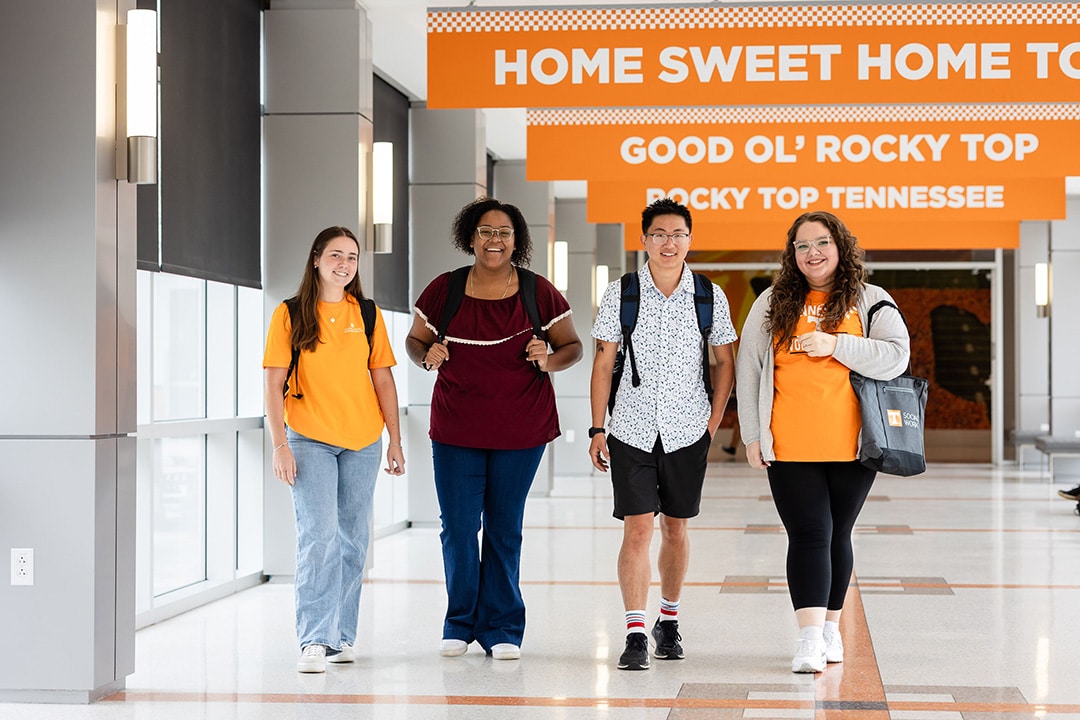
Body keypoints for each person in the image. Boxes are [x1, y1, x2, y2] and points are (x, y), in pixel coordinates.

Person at [406, 197, 583, 661]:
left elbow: (572, 347)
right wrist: (427, 355)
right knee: (459, 528)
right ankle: (459, 622)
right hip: (455, 427)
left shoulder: (538, 292)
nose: (494, 240)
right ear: (470, 237)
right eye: (486, 231)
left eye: (504, 232)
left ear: (516, 241)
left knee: (505, 528)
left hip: (520, 428)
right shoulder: (444, 289)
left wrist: (548, 358)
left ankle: (503, 627)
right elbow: (414, 339)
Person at [736, 211, 910, 673]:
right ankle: (810, 638)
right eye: (802, 246)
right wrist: (753, 434)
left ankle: (832, 627)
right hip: (790, 444)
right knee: (810, 533)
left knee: (838, 533)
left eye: (822, 243)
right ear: (792, 255)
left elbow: (896, 356)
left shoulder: (870, 299)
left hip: (854, 445)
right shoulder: (773, 302)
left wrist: (835, 345)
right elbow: (749, 367)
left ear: (840, 247)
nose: (812, 253)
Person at [589, 197, 737, 671]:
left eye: (677, 234)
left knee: (675, 528)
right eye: (659, 234)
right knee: (637, 529)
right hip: (630, 428)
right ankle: (635, 632)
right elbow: (603, 361)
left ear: (690, 240)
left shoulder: (710, 295)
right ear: (644, 240)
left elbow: (724, 363)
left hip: (687, 430)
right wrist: (597, 427)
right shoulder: (621, 292)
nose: (668, 243)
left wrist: (711, 424)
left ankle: (668, 621)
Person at [263, 226, 406, 674]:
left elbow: (383, 378)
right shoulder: (289, 314)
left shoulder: (366, 313)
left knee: (352, 540)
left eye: (352, 257)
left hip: (363, 440)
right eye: (335, 255)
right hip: (308, 439)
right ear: (316, 259)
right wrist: (279, 444)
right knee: (318, 538)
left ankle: (341, 636)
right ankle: (314, 639)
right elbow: (272, 380)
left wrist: (395, 440)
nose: (344, 264)